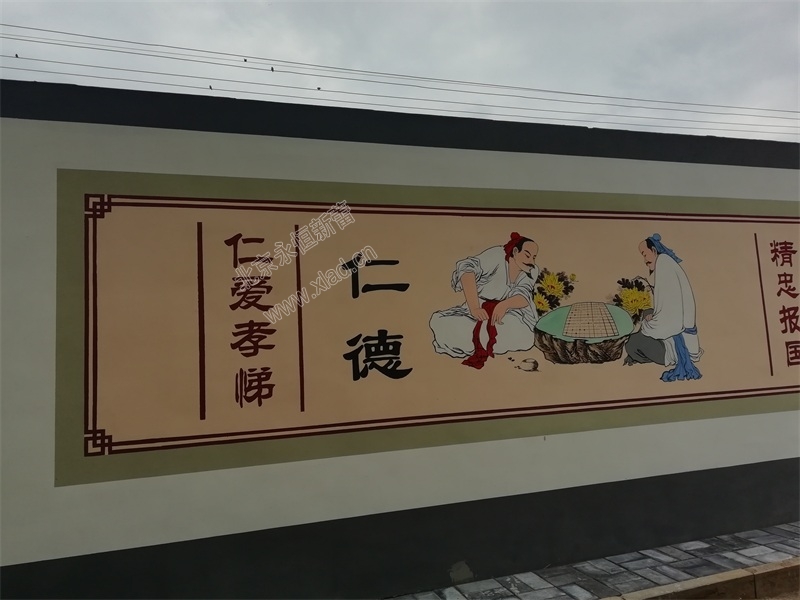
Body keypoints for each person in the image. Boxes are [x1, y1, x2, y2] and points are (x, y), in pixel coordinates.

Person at [429, 232, 539, 369]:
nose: (531, 262)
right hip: (478, 308)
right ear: (516, 251)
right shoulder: (497, 256)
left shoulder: (531, 271)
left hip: (511, 312)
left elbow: (523, 297)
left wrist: (504, 305)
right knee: (447, 325)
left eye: (534, 257)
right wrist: (474, 307)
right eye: (527, 255)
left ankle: (478, 343)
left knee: (524, 336)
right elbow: (467, 270)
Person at [624, 234, 703, 381]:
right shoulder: (666, 263)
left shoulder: (664, 264)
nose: (645, 260)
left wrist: (647, 324)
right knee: (647, 314)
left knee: (632, 343)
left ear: (654, 250)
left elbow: (671, 322)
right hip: (678, 332)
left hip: (677, 342)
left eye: (644, 254)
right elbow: (669, 305)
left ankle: (662, 358)